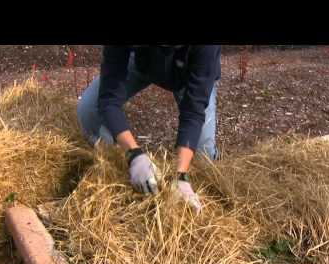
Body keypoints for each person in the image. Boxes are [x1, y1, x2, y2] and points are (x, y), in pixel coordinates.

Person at [77, 45, 221, 214]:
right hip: (143, 62)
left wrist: (181, 175)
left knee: (203, 153)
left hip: (189, 73)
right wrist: (134, 154)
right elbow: (109, 98)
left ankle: (190, 184)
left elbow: (193, 112)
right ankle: (117, 162)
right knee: (88, 109)